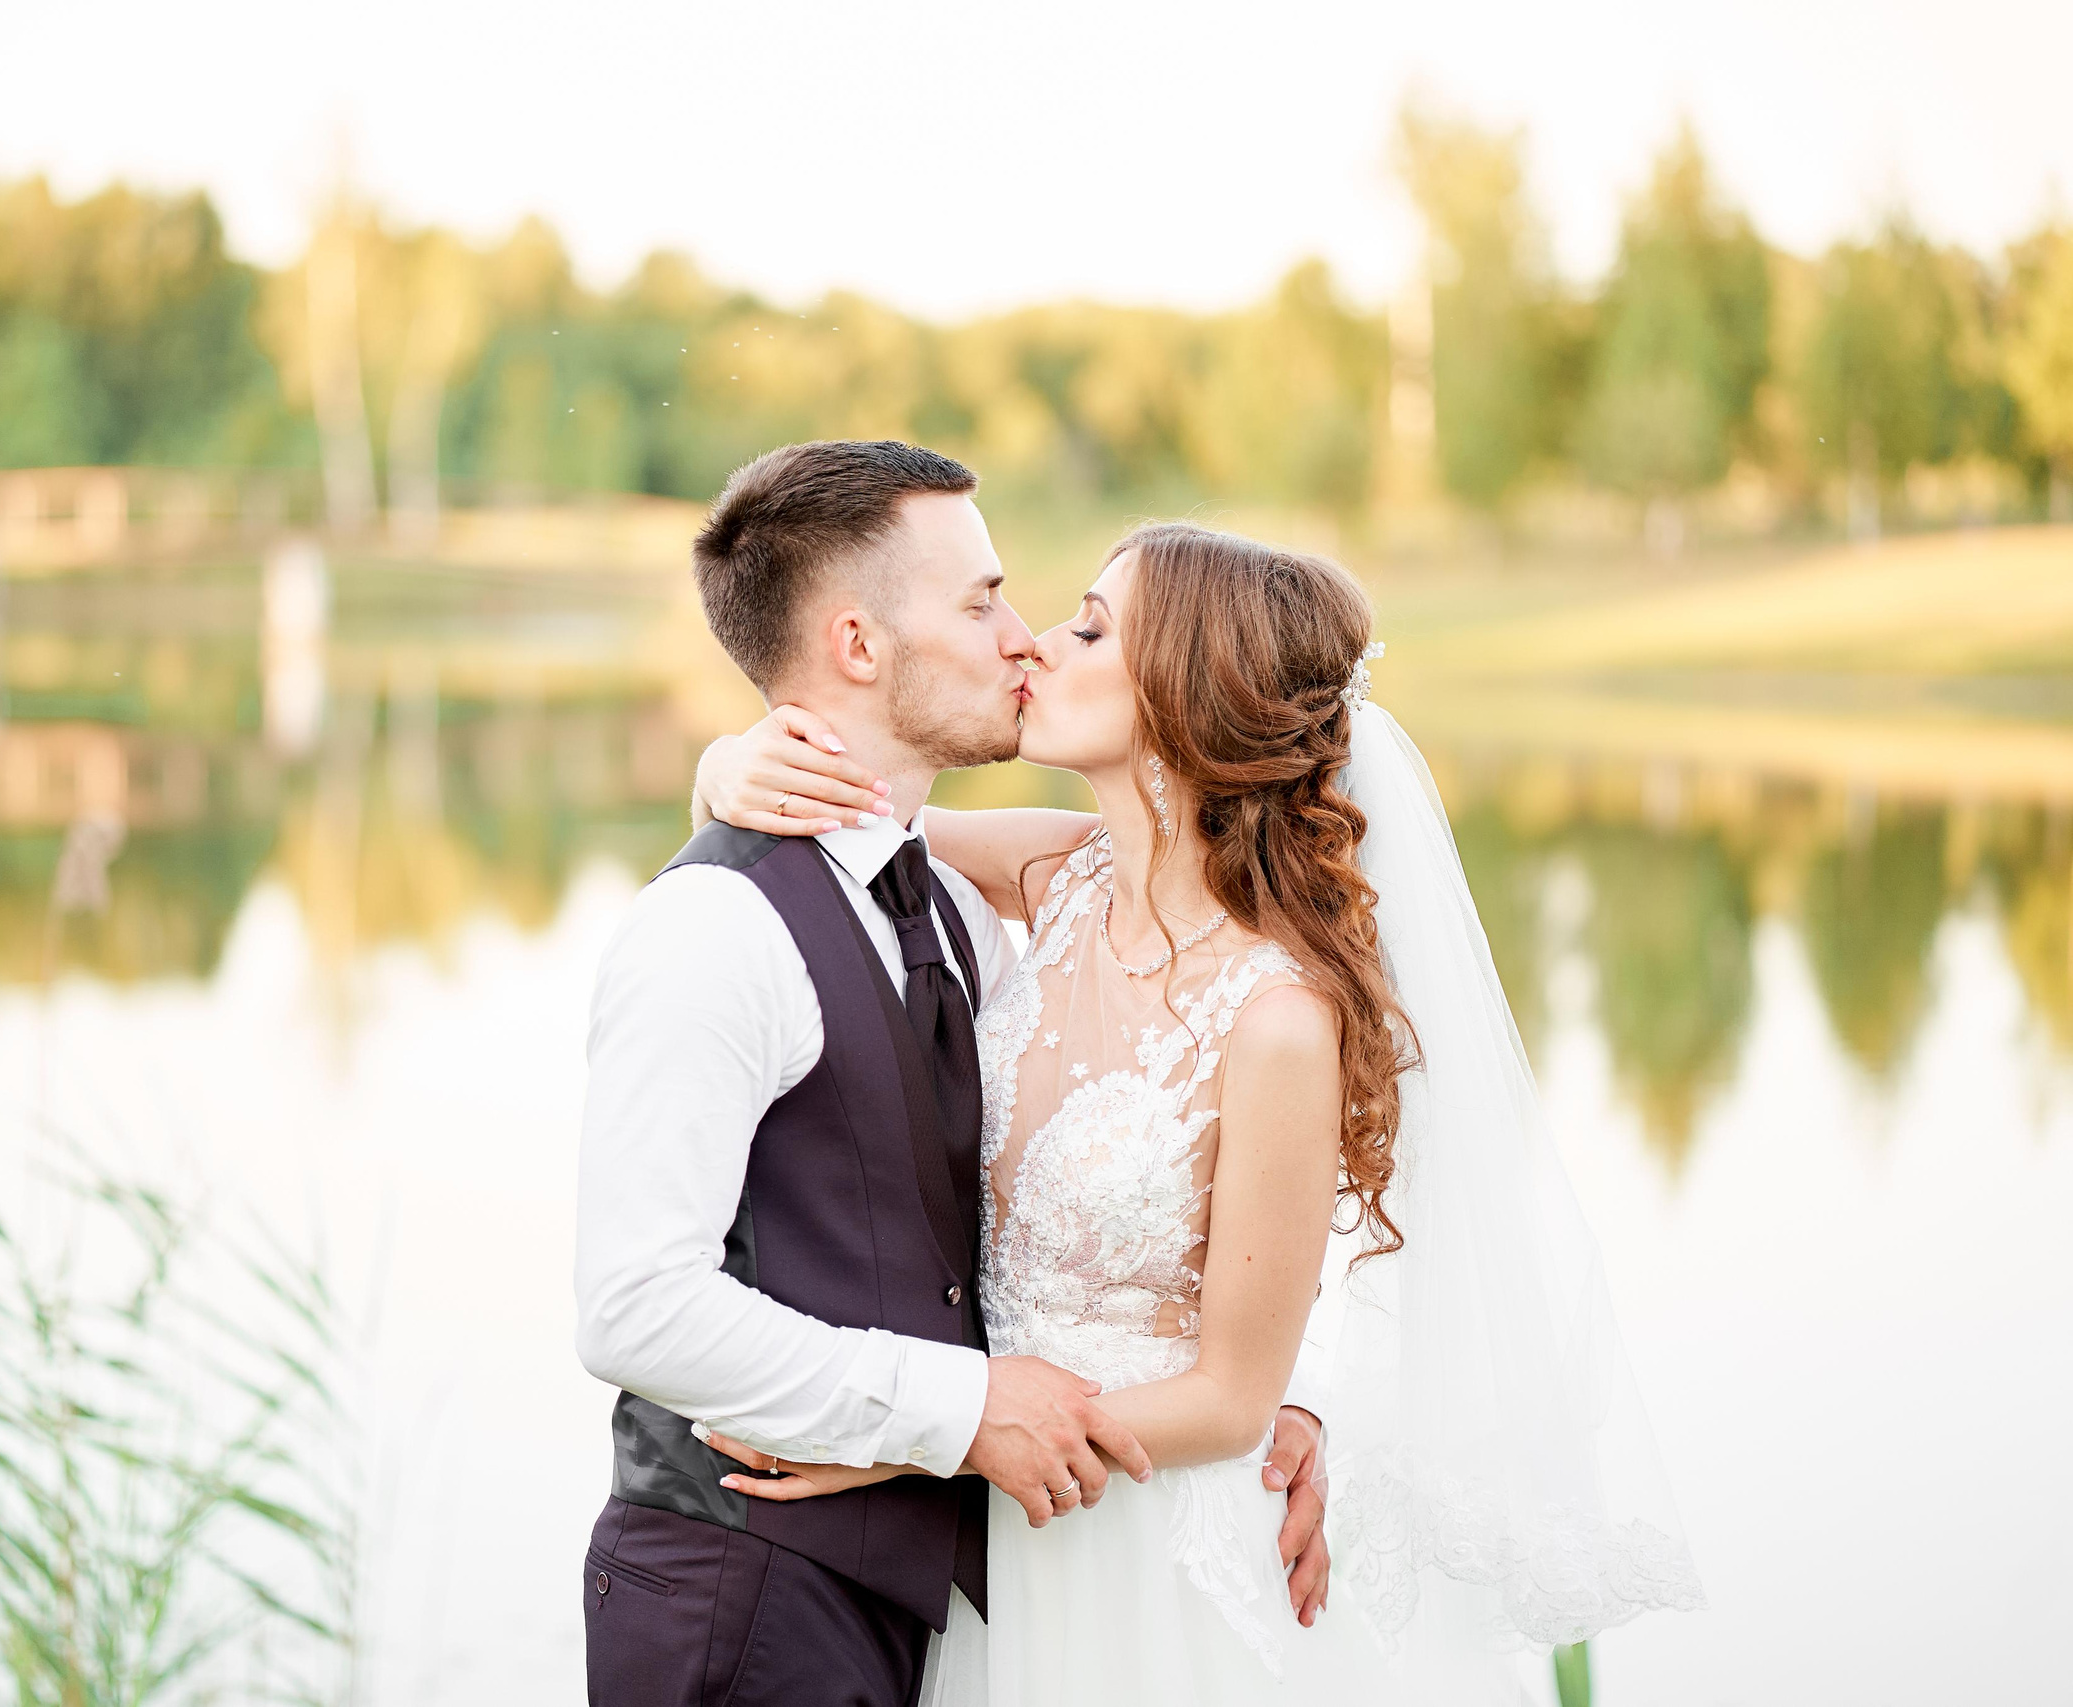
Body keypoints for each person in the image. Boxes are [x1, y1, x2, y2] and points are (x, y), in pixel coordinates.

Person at [689, 512, 1707, 1701]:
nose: (1036, 650)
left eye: (1088, 627)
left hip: (1137, 1552)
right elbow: (838, 837)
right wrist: (724, 769)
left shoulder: (1275, 1018)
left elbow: (1230, 1401)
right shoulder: (1056, 877)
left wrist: (920, 1449)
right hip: (1005, 1537)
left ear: (1184, 694)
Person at [571, 442, 1338, 1707]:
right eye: (985, 602)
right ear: (862, 646)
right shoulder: (716, 927)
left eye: (1064, 620)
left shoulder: (976, 912)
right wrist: (957, 1413)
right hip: (744, 1593)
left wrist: (1270, 1401)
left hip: (992, 1579)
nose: (1024, 640)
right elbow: (631, 1307)